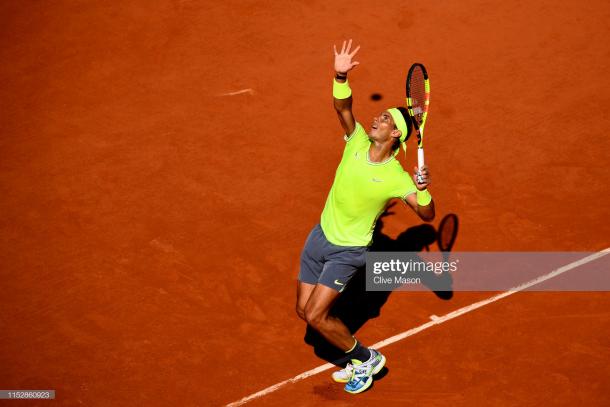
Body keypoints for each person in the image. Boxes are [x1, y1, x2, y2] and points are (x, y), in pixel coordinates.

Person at [295, 39, 436, 394]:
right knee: (304, 312)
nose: (377, 118)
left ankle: (367, 358)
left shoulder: (396, 177)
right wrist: (340, 75)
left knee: (316, 316)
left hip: (348, 251)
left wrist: (422, 188)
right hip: (320, 235)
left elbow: (426, 214)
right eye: (380, 115)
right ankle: (354, 358)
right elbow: (341, 106)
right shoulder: (356, 141)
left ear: (395, 136)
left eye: (386, 119)